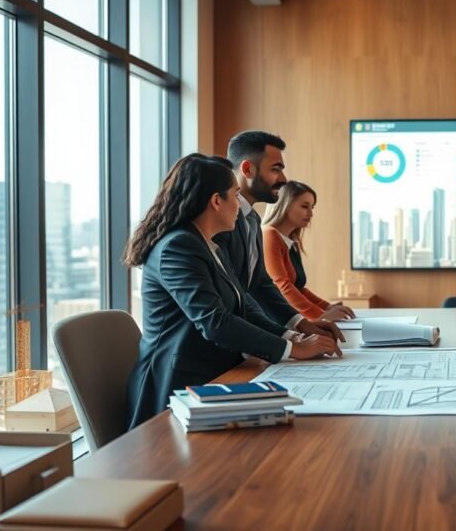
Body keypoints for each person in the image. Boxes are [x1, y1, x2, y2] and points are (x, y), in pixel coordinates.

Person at [122, 154, 341, 430]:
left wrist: (291, 335)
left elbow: (242, 304)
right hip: (178, 388)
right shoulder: (178, 247)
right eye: (236, 195)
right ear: (216, 201)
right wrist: (292, 349)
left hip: (215, 372)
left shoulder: (208, 244)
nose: (240, 205)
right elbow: (215, 322)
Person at [215, 130, 347, 343]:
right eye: (276, 169)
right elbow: (235, 298)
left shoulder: (253, 221)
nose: (283, 179)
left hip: (249, 340)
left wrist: (302, 324)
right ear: (248, 169)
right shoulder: (222, 223)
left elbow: (261, 285)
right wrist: (290, 340)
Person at [263, 181, 354, 320]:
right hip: (276, 321)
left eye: (312, 207)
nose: (310, 213)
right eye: (305, 206)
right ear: (284, 205)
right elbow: (283, 286)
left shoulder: (291, 242)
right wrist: (321, 316)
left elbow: (298, 288)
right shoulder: (269, 235)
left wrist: (328, 307)